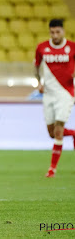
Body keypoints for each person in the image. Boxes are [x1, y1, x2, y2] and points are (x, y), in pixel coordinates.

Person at [35, 19, 75, 178]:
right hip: (49, 94)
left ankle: (52, 169)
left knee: (58, 131)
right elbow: (36, 67)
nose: (55, 35)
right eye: (52, 32)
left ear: (63, 31)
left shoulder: (72, 48)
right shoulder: (42, 48)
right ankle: (73, 133)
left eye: (58, 32)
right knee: (51, 133)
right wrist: (39, 82)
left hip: (65, 93)